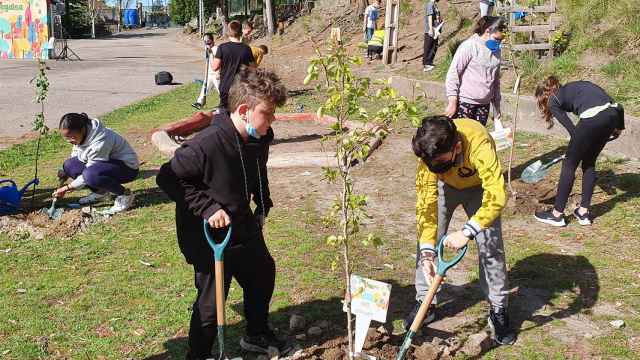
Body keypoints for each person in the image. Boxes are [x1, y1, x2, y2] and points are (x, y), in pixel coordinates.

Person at [156, 66, 289, 360]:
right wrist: (207, 208)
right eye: (268, 113)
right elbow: (167, 177)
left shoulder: (258, 138)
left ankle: (255, 333)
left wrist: (263, 200)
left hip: (242, 224)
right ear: (244, 110)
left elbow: (257, 170)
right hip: (208, 235)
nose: (272, 119)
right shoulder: (207, 143)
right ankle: (199, 355)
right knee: (211, 303)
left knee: (262, 274)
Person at [408, 115, 515, 345]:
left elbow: (497, 194)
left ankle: (498, 309)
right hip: (447, 189)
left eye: (443, 163)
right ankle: (425, 302)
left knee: (490, 245)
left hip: (480, 190)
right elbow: (426, 205)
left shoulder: (478, 143)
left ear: (457, 147)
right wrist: (428, 251)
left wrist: (467, 231)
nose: (438, 169)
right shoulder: (430, 156)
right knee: (426, 241)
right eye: (434, 165)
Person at [533, 76, 625, 226]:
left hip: (593, 118)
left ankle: (557, 215)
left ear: (544, 96)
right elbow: (618, 105)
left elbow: (573, 131)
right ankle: (583, 213)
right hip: (612, 116)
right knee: (589, 162)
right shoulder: (577, 87)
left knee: (569, 164)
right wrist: (619, 127)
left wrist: (575, 149)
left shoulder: (553, 100)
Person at [53, 113, 139, 213]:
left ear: (82, 129)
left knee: (90, 175)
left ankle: (125, 195)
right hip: (105, 163)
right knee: (69, 165)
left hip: (127, 168)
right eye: (66, 138)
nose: (69, 141)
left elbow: (88, 174)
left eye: (72, 137)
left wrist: (68, 187)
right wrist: (66, 172)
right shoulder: (82, 135)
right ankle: (101, 193)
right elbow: (77, 154)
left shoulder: (100, 141)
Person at [445, 16, 506, 126]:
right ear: (488, 31)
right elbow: (453, 73)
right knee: (463, 138)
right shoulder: (470, 46)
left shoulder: (496, 51)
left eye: (501, 40)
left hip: (484, 105)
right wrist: (452, 101)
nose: (499, 43)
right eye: (497, 39)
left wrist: (497, 106)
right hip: (465, 103)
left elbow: (495, 81)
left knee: (477, 138)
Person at [212, 21, 256, 112]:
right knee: (240, 111)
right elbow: (253, 68)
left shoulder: (222, 47)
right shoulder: (246, 48)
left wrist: (213, 55)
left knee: (224, 112)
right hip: (241, 86)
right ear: (240, 32)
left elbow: (214, 67)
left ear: (228, 31)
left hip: (226, 86)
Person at [193, 33, 220, 110]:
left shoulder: (216, 49)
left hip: (215, 73)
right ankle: (200, 102)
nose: (206, 43)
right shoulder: (207, 48)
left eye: (208, 41)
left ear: (212, 41)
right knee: (205, 87)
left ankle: (225, 103)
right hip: (209, 73)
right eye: (204, 41)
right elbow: (207, 61)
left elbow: (218, 61)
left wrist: (218, 72)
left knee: (219, 89)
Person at [423, 0, 442, 72]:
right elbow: (429, 17)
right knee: (428, 46)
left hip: (436, 29)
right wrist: (430, 29)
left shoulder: (435, 5)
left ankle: (430, 62)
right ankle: (426, 64)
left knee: (434, 46)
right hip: (430, 30)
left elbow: (437, 16)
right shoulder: (430, 4)